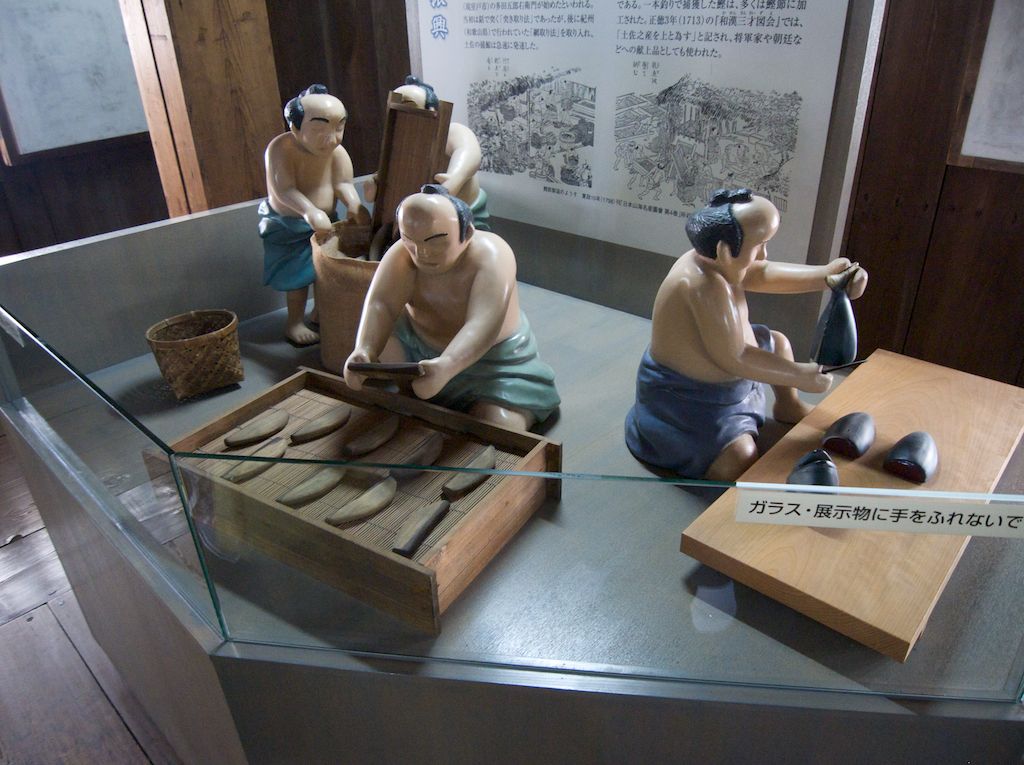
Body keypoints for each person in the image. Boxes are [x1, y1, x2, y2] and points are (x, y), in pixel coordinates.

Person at [625, 188, 868, 481]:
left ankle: (787, 405)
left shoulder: (720, 262)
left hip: (731, 372)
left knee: (777, 342)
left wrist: (825, 277)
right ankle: (710, 477)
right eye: (760, 245)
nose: (764, 255)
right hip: (688, 400)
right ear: (725, 251)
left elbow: (762, 273)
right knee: (739, 458)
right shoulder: (700, 285)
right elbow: (736, 356)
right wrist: (798, 374)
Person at [344, 185, 559, 431]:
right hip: (418, 350)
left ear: (466, 233)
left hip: (492, 361)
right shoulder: (402, 255)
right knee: (389, 349)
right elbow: (381, 304)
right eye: (410, 240)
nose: (421, 252)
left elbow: (483, 323)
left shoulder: (492, 255)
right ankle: (419, 397)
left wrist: (447, 365)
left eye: (435, 241)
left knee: (495, 424)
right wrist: (365, 349)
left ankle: (499, 406)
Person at [259, 84, 368, 346]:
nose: (331, 138)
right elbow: (283, 189)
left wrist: (353, 203)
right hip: (289, 224)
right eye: (320, 129)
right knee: (297, 277)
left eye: (338, 127)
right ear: (296, 128)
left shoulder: (336, 152)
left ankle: (321, 312)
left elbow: (343, 183)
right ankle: (294, 321)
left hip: (327, 221)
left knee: (326, 272)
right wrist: (309, 211)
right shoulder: (281, 149)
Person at [366, 76, 491, 231]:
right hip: (414, 222)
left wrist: (454, 178)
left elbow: (468, 152)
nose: (401, 114)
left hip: (460, 219)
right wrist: (377, 182)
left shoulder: (450, 131)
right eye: (394, 106)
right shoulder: (400, 143)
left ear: (431, 110)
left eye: (407, 106)